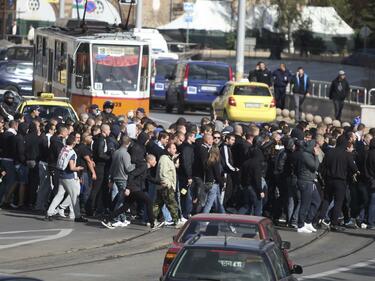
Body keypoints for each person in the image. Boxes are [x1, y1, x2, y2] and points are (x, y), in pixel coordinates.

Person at [321, 136, 358, 232]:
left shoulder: (329, 152)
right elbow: (353, 168)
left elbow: (323, 166)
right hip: (341, 181)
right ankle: (334, 223)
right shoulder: (346, 155)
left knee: (326, 199)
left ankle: (320, 219)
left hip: (329, 180)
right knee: (338, 202)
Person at [53, 133, 87, 223]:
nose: (78, 140)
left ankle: (50, 212)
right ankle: (76, 215)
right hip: (70, 176)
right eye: (76, 139)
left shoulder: (64, 149)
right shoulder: (72, 152)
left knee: (60, 195)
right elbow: (72, 167)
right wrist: (79, 169)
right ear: (73, 142)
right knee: (75, 196)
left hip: (62, 174)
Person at [107, 136, 135, 226]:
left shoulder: (116, 152)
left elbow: (111, 168)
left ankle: (122, 218)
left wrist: (111, 179)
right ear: (129, 143)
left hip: (116, 177)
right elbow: (128, 168)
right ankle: (116, 218)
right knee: (121, 200)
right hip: (123, 178)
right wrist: (136, 165)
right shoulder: (125, 154)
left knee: (121, 198)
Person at [153, 142, 181, 227]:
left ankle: (152, 219)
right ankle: (176, 221)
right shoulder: (164, 159)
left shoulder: (168, 158)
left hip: (164, 185)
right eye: (173, 148)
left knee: (158, 203)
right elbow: (163, 172)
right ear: (168, 149)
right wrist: (167, 183)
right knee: (172, 203)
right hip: (166, 185)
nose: (175, 150)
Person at [296, 140, 321, 234]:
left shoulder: (310, 155)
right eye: (316, 147)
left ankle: (308, 221)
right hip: (305, 181)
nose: (318, 149)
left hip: (310, 181)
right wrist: (317, 156)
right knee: (305, 203)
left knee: (316, 201)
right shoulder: (306, 155)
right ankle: (300, 225)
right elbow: (315, 166)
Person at [202, 145, 225, 214]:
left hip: (207, 183)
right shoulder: (215, 162)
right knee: (209, 203)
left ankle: (223, 214)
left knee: (217, 200)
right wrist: (222, 183)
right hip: (214, 184)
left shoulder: (207, 161)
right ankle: (203, 218)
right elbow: (217, 175)